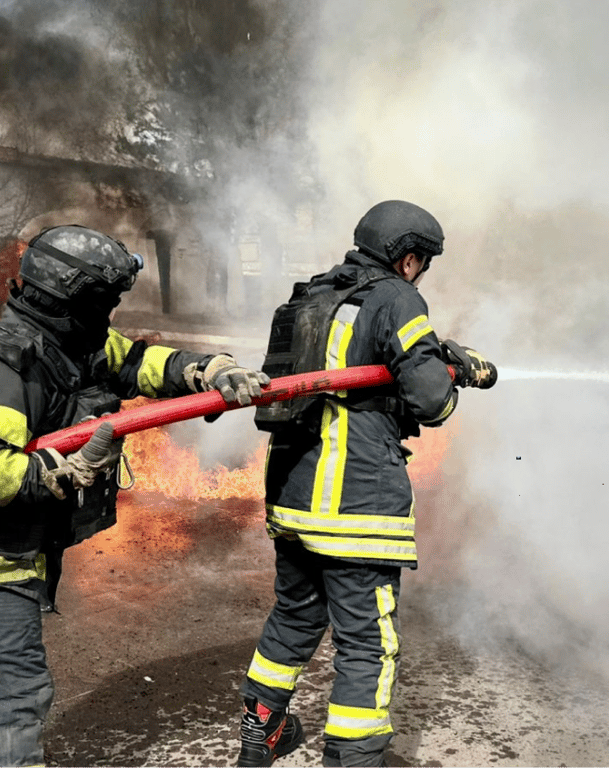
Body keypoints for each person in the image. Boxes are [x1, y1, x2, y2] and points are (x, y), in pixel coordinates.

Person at [0, 224, 270, 768]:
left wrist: (206, 369)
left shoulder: (67, 344)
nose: (112, 315)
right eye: (107, 302)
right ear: (75, 299)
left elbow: (139, 363)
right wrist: (66, 472)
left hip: (4, 552)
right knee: (10, 700)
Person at [233, 200, 496, 768]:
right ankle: (353, 761)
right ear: (407, 257)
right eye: (421, 261)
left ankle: (261, 732)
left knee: (296, 616)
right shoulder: (397, 298)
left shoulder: (308, 299)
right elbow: (432, 402)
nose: (420, 271)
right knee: (367, 647)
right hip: (356, 509)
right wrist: (453, 374)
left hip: (293, 500)